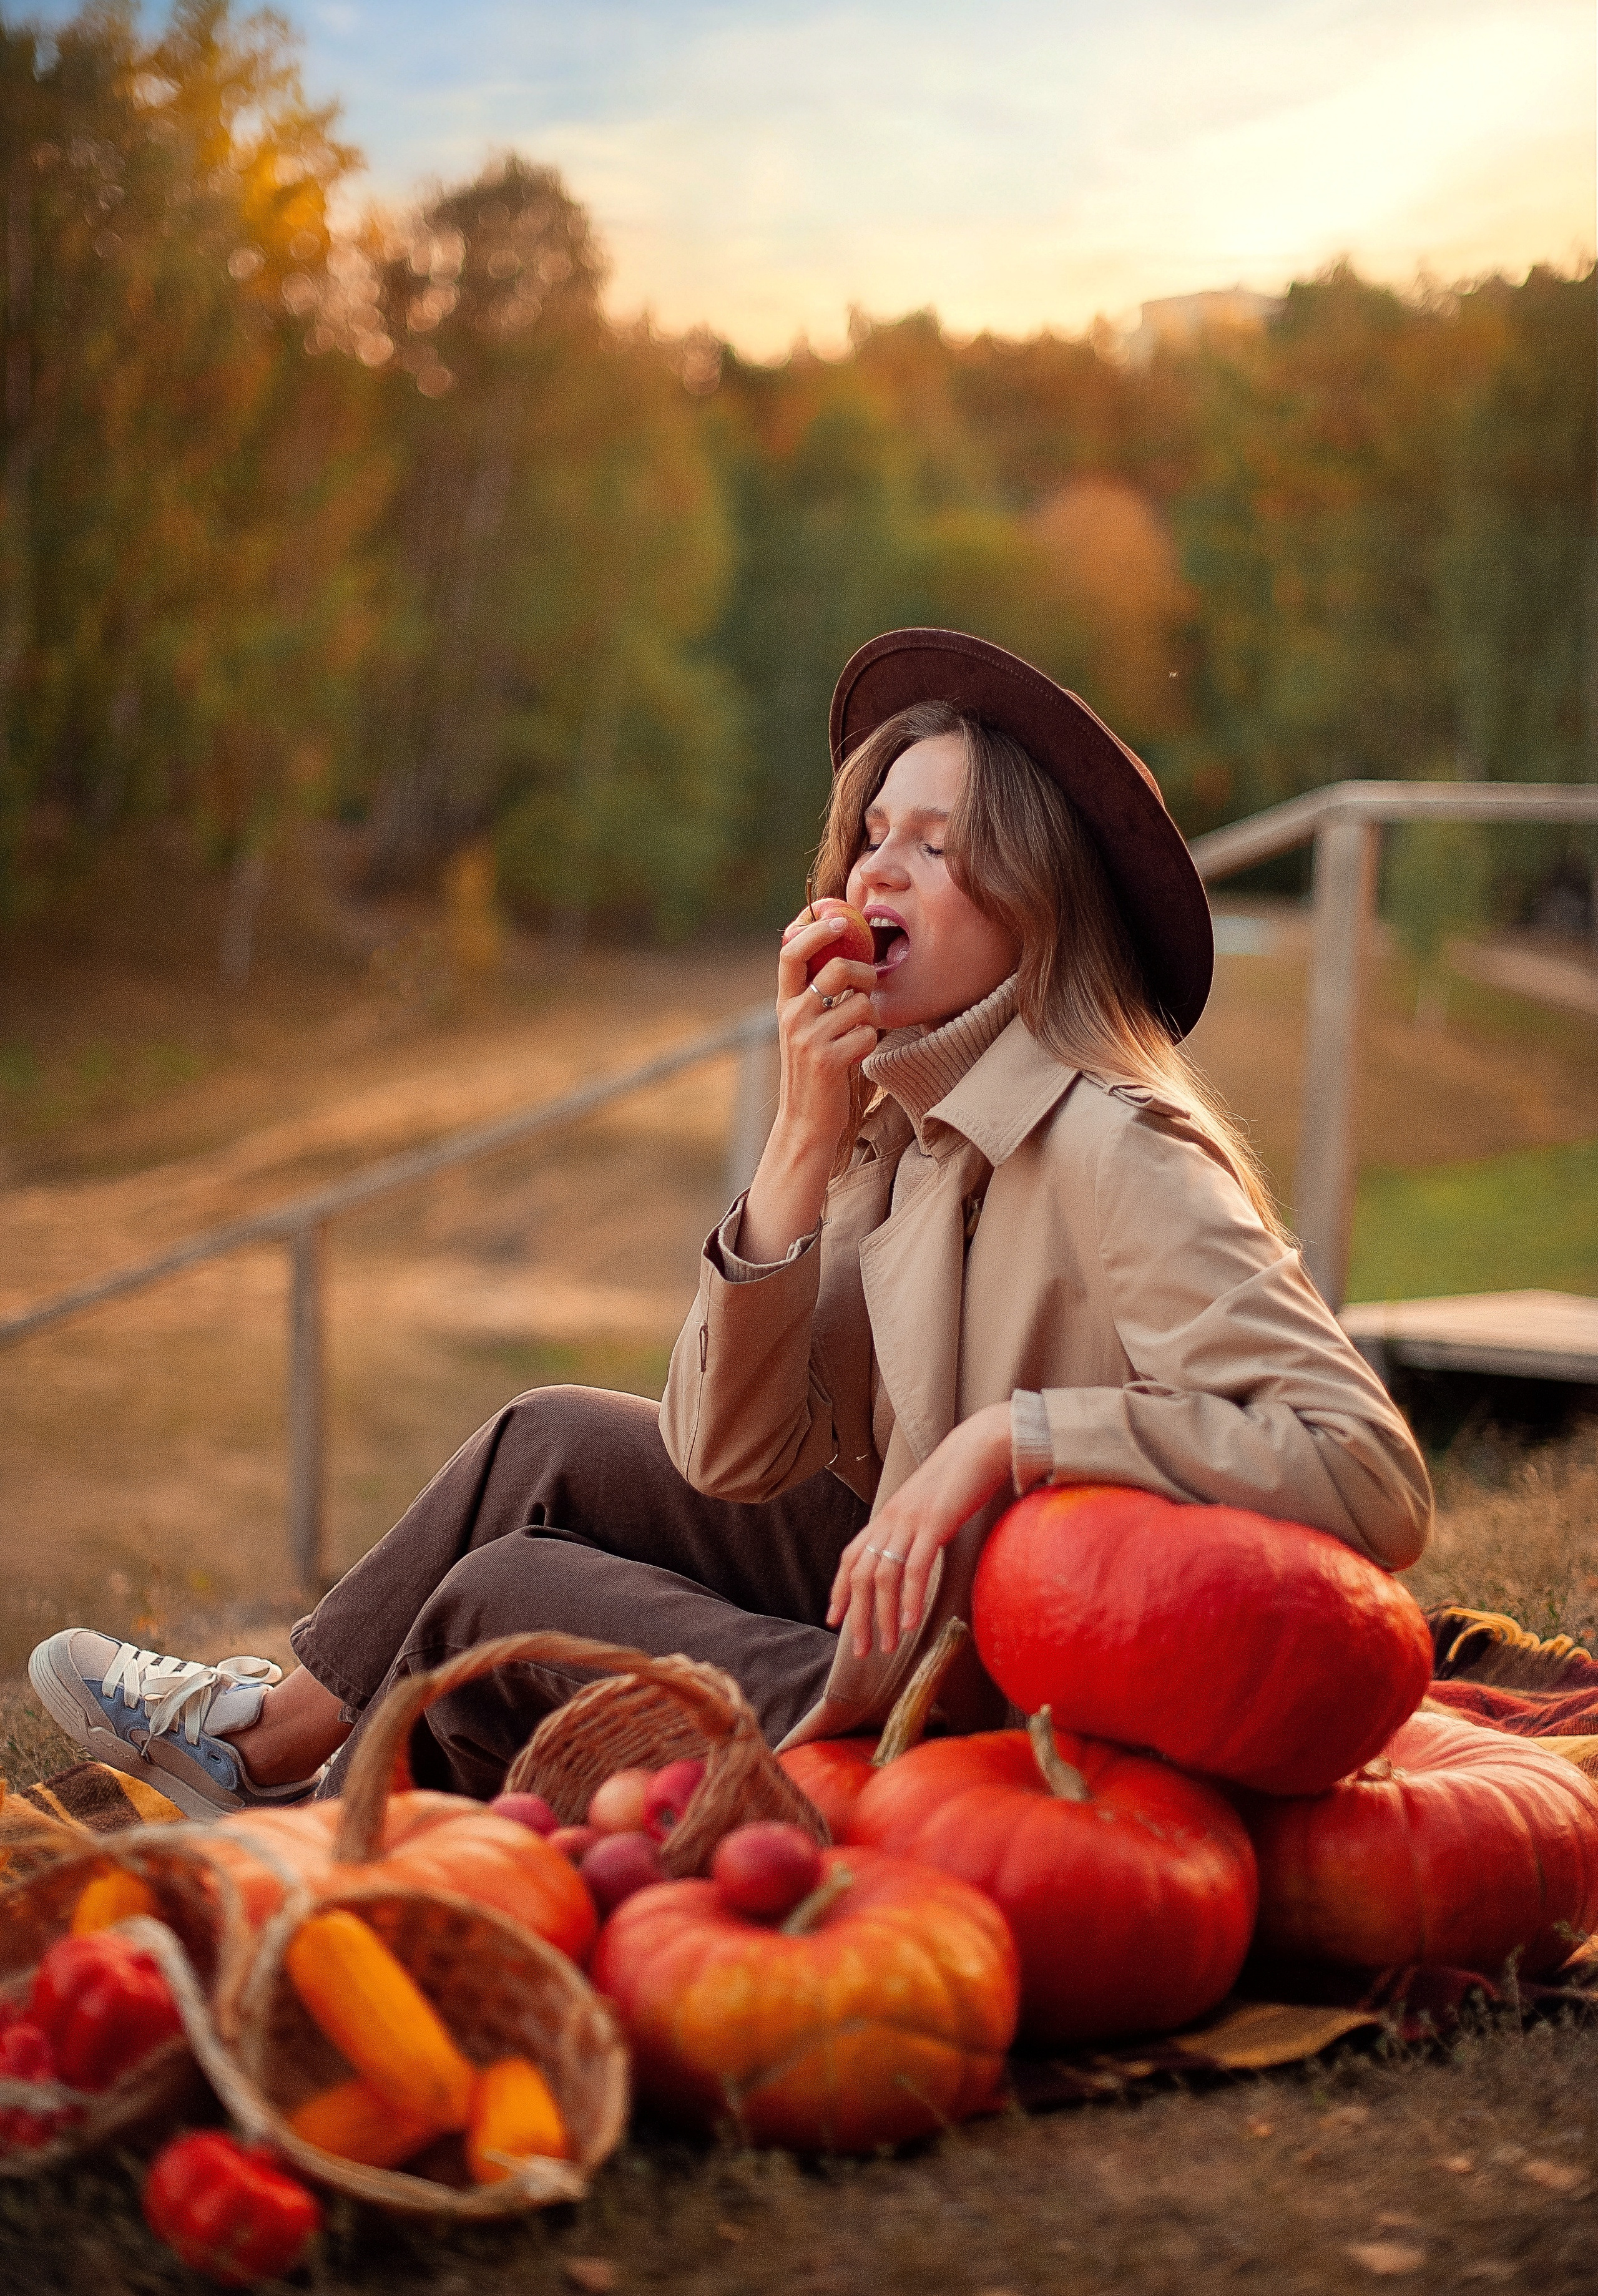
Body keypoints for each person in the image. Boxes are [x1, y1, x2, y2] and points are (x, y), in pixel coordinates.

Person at [30, 629, 1433, 1819]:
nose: (877, 871)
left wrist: (1014, 1441)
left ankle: (327, 1845)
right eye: (871, 834)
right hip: (889, 1602)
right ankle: (270, 1734)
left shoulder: (1111, 1145)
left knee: (507, 1590)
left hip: (978, 1703)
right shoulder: (908, 1136)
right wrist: (801, 1140)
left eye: (935, 847)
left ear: (1039, 905)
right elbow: (728, 1452)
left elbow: (1368, 1472)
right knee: (545, 1439)